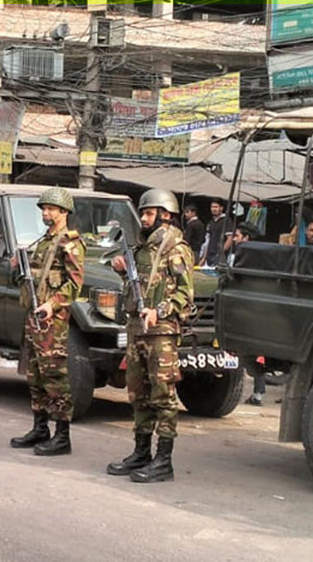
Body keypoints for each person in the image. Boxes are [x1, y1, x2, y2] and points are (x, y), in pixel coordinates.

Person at [107, 188, 195, 484]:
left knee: (163, 396)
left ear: (165, 215)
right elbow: (140, 285)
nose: (144, 218)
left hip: (161, 334)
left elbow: (185, 293)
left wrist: (161, 310)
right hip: (137, 331)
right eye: (143, 213)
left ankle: (163, 460)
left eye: (149, 213)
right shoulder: (143, 249)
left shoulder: (176, 249)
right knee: (138, 394)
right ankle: (141, 452)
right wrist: (122, 270)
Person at [8, 188, 85, 454]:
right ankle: (40, 427)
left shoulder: (70, 243)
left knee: (55, 376)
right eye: (44, 208)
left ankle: (62, 436)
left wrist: (52, 305)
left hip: (53, 321)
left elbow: (74, 285)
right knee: (35, 374)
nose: (45, 212)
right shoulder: (42, 242)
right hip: (34, 318)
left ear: (64, 212)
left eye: (51, 208)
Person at [199, 201, 231, 267]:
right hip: (209, 256)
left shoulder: (226, 221)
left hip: (220, 257)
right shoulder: (211, 222)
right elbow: (208, 240)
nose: (214, 209)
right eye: (212, 207)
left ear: (221, 208)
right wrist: (204, 258)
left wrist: (221, 252)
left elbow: (230, 238)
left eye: (216, 207)